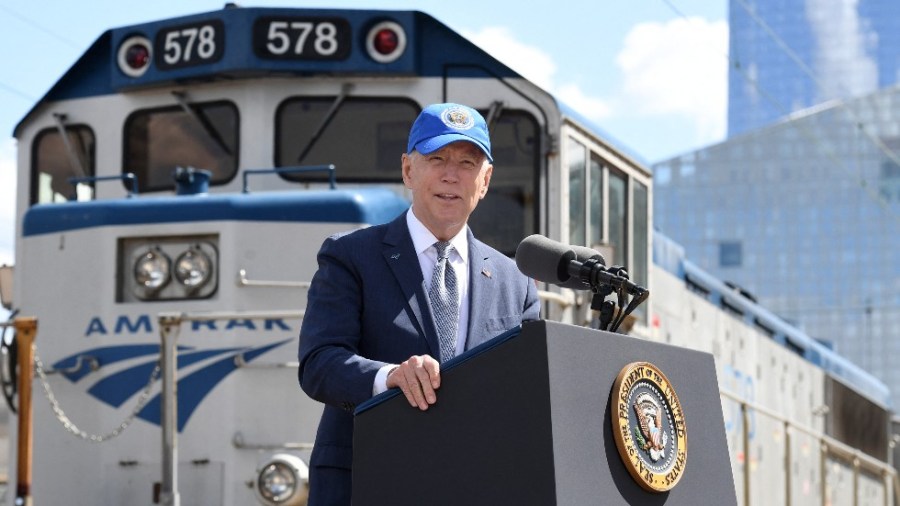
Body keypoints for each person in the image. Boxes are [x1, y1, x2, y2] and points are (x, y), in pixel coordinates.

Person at [297, 102, 541, 505]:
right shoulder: (350, 256)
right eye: (437, 158)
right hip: (368, 483)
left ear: (485, 180)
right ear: (409, 170)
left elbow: (526, 397)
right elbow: (319, 363)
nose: (451, 174)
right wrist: (388, 378)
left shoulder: (516, 282)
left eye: (467, 162)